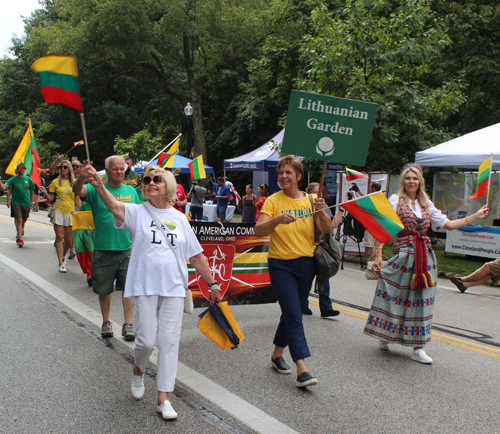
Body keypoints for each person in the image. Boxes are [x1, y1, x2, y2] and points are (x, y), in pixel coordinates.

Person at [84, 163, 222, 420]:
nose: (150, 183)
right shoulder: (137, 212)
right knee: (146, 340)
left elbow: (196, 256)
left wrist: (212, 284)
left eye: (156, 179)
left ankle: (163, 397)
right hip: (145, 286)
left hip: (173, 288)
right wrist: (99, 184)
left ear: (167, 184)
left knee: (169, 343)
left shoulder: (180, 219)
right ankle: (139, 368)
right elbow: (114, 206)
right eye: (146, 180)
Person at [364, 162, 489, 364]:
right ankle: (385, 334)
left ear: (420, 181)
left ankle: (418, 347)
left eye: (415, 178)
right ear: (403, 181)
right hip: (403, 254)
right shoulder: (396, 200)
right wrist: (378, 254)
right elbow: (385, 227)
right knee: (393, 295)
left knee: (422, 300)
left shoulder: (426, 204)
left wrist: (474, 216)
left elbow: (448, 225)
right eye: (408, 178)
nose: (411, 181)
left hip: (425, 257)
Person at [255, 156, 332, 388]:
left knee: (292, 311)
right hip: (280, 265)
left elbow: (327, 229)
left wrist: (320, 211)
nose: (284, 177)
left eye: (288, 172)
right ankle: (302, 367)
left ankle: (277, 354)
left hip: (306, 264)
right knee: (294, 313)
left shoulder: (311, 200)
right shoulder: (272, 200)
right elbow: (259, 230)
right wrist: (277, 220)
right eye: (281, 173)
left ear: (299, 176)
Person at [73, 156, 140, 341]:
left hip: (127, 249)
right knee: (104, 289)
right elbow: (77, 191)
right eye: (115, 169)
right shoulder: (96, 189)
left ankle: (128, 324)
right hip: (103, 248)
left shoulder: (131, 192)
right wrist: (81, 177)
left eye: (122, 169)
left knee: (129, 289)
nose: (119, 172)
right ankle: (106, 322)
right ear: (107, 170)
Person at [303, 182, 343, 318]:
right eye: (315, 191)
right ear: (308, 193)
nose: (318, 194)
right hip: (306, 246)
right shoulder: (304, 204)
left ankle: (325, 307)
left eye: (320, 191)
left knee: (324, 276)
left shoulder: (325, 206)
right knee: (306, 278)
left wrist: (341, 210)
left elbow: (332, 225)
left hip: (321, 247)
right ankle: (303, 304)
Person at [39, 160, 81, 273]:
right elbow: (51, 199)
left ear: (69, 169)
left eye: (65, 167)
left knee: (68, 239)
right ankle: (61, 263)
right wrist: (44, 193)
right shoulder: (55, 182)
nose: (62, 169)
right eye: (61, 167)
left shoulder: (75, 183)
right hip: (58, 211)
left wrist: (81, 213)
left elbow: (77, 200)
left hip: (70, 213)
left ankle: (63, 255)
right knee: (59, 238)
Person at [5, 164, 36, 247]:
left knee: (24, 220)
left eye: (23, 168)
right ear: (17, 169)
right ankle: (20, 239)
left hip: (26, 203)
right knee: (18, 219)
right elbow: (6, 188)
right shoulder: (13, 179)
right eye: (19, 168)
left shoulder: (28, 179)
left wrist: (31, 203)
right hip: (16, 203)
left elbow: (32, 193)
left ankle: (21, 230)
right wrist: (8, 201)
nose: (21, 169)